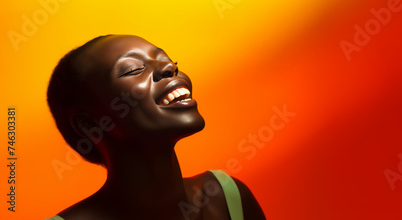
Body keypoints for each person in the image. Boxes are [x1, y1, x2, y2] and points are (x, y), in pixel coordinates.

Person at [45, 35, 265, 220]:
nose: (170, 68)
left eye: (168, 60)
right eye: (133, 69)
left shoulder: (228, 198)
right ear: (90, 124)